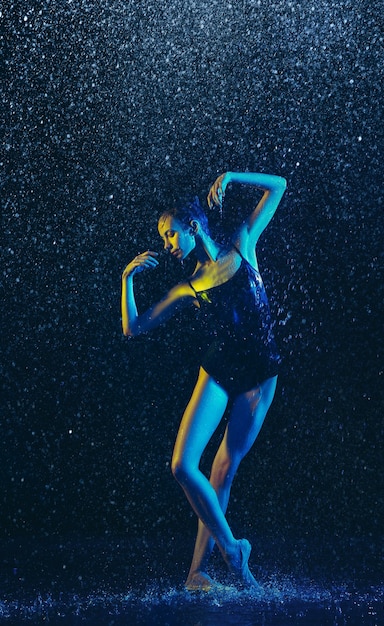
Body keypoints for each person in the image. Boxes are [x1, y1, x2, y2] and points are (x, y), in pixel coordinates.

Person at [121, 171, 287, 590]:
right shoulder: (188, 287)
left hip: (258, 376)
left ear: (193, 227)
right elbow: (134, 328)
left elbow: (279, 186)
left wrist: (233, 175)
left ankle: (198, 571)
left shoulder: (242, 244)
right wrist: (126, 281)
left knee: (222, 471)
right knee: (181, 465)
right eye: (165, 240)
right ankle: (231, 550)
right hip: (217, 373)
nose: (167, 246)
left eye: (171, 235)